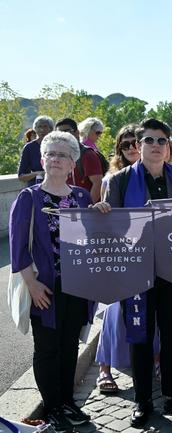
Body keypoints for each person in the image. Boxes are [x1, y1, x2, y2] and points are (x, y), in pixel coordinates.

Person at [101, 118, 172, 427]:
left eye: (161, 141)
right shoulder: (119, 181)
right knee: (139, 336)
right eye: (149, 140)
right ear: (138, 146)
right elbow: (107, 227)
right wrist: (102, 212)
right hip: (135, 270)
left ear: (169, 147)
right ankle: (142, 400)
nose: (155, 146)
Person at [10, 131, 96, 432]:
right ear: (43, 159)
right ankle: (52, 406)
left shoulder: (82, 197)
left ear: (73, 162)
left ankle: (66, 400)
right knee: (47, 347)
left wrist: (102, 213)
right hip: (45, 286)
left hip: (76, 285)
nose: (57, 159)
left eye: (64, 155)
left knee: (69, 343)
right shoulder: (29, 198)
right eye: (52, 154)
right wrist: (31, 284)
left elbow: (94, 237)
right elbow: (18, 247)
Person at [94, 123, 163, 395]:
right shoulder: (116, 179)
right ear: (119, 150)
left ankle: (156, 359)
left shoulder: (162, 174)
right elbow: (105, 222)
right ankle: (105, 366)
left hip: (155, 258)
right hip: (124, 258)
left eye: (137, 142)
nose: (133, 147)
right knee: (114, 313)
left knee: (154, 314)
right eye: (127, 144)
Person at [55, 118, 103, 203]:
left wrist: (86, 209)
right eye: (59, 134)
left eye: (67, 131)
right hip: (70, 208)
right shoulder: (62, 156)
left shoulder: (88, 154)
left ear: (77, 133)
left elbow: (98, 184)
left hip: (86, 210)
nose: (63, 136)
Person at [18, 115, 53, 185]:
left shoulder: (57, 145)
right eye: (39, 127)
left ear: (51, 129)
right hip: (35, 189)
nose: (42, 130)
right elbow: (21, 176)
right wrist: (38, 173)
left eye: (45, 126)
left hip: (56, 187)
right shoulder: (29, 147)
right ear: (35, 129)